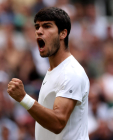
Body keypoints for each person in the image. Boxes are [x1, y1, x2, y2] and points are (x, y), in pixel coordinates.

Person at [7, 7, 90, 140]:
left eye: (47, 26)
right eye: (37, 27)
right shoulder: (54, 69)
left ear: (63, 34)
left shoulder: (71, 73)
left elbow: (58, 122)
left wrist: (23, 98)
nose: (39, 31)